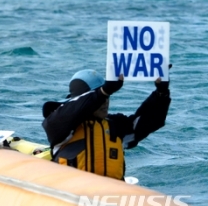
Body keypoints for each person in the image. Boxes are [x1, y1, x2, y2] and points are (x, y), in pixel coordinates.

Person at [42, 69, 171, 180]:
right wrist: (103, 92)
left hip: (109, 196)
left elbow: (150, 121)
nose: (105, 102)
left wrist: (161, 92)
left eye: (108, 97)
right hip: (73, 194)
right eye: (102, 98)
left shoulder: (116, 125)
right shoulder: (58, 124)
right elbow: (69, 112)